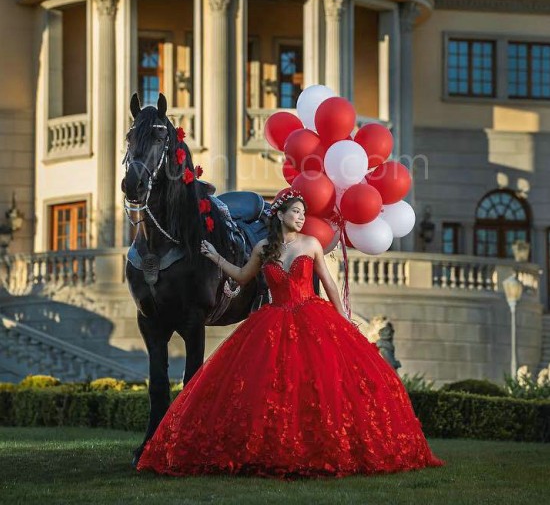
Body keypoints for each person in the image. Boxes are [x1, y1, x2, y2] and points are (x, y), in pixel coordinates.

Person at [137, 188, 443, 478]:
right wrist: (216, 258)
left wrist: (343, 316)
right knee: (269, 388)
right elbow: (244, 277)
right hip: (273, 320)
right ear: (280, 214)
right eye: (295, 212)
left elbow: (329, 283)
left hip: (312, 316)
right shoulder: (262, 248)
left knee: (321, 385)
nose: (300, 217)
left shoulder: (310, 244)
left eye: (302, 213)